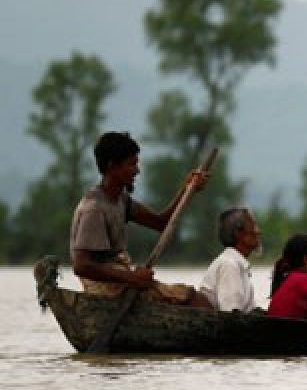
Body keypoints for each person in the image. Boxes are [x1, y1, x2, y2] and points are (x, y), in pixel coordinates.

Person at [70, 131, 211, 307]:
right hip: (106, 291)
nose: (137, 171)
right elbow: (81, 266)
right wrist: (132, 277)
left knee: (195, 298)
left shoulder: (122, 200)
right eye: (132, 164)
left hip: (123, 282)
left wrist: (187, 189)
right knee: (194, 300)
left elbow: (161, 224)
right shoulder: (94, 208)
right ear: (112, 167)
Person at [199, 207, 260, 312]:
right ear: (238, 233)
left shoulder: (235, 263)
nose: (258, 231)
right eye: (253, 226)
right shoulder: (229, 265)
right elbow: (231, 315)